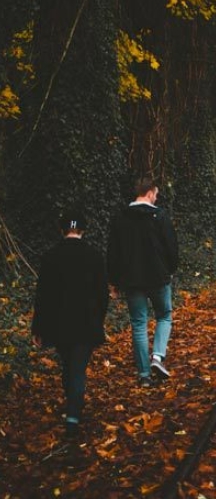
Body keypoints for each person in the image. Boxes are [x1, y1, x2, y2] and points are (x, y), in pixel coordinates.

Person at [31, 210, 109, 437]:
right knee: (77, 368)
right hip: (86, 322)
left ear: (61, 229)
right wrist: (99, 319)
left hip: (59, 323)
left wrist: (38, 327)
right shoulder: (94, 256)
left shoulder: (50, 257)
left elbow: (42, 296)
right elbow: (102, 294)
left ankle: (72, 405)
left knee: (68, 364)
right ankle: (73, 415)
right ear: (83, 229)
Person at [107, 178, 179, 387]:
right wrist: (171, 270)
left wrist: (114, 280)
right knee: (164, 316)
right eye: (155, 194)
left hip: (132, 281)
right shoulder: (160, 216)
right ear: (149, 193)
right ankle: (157, 356)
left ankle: (144, 375)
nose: (156, 198)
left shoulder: (121, 218)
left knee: (139, 324)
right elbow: (171, 246)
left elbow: (113, 252)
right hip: (158, 277)